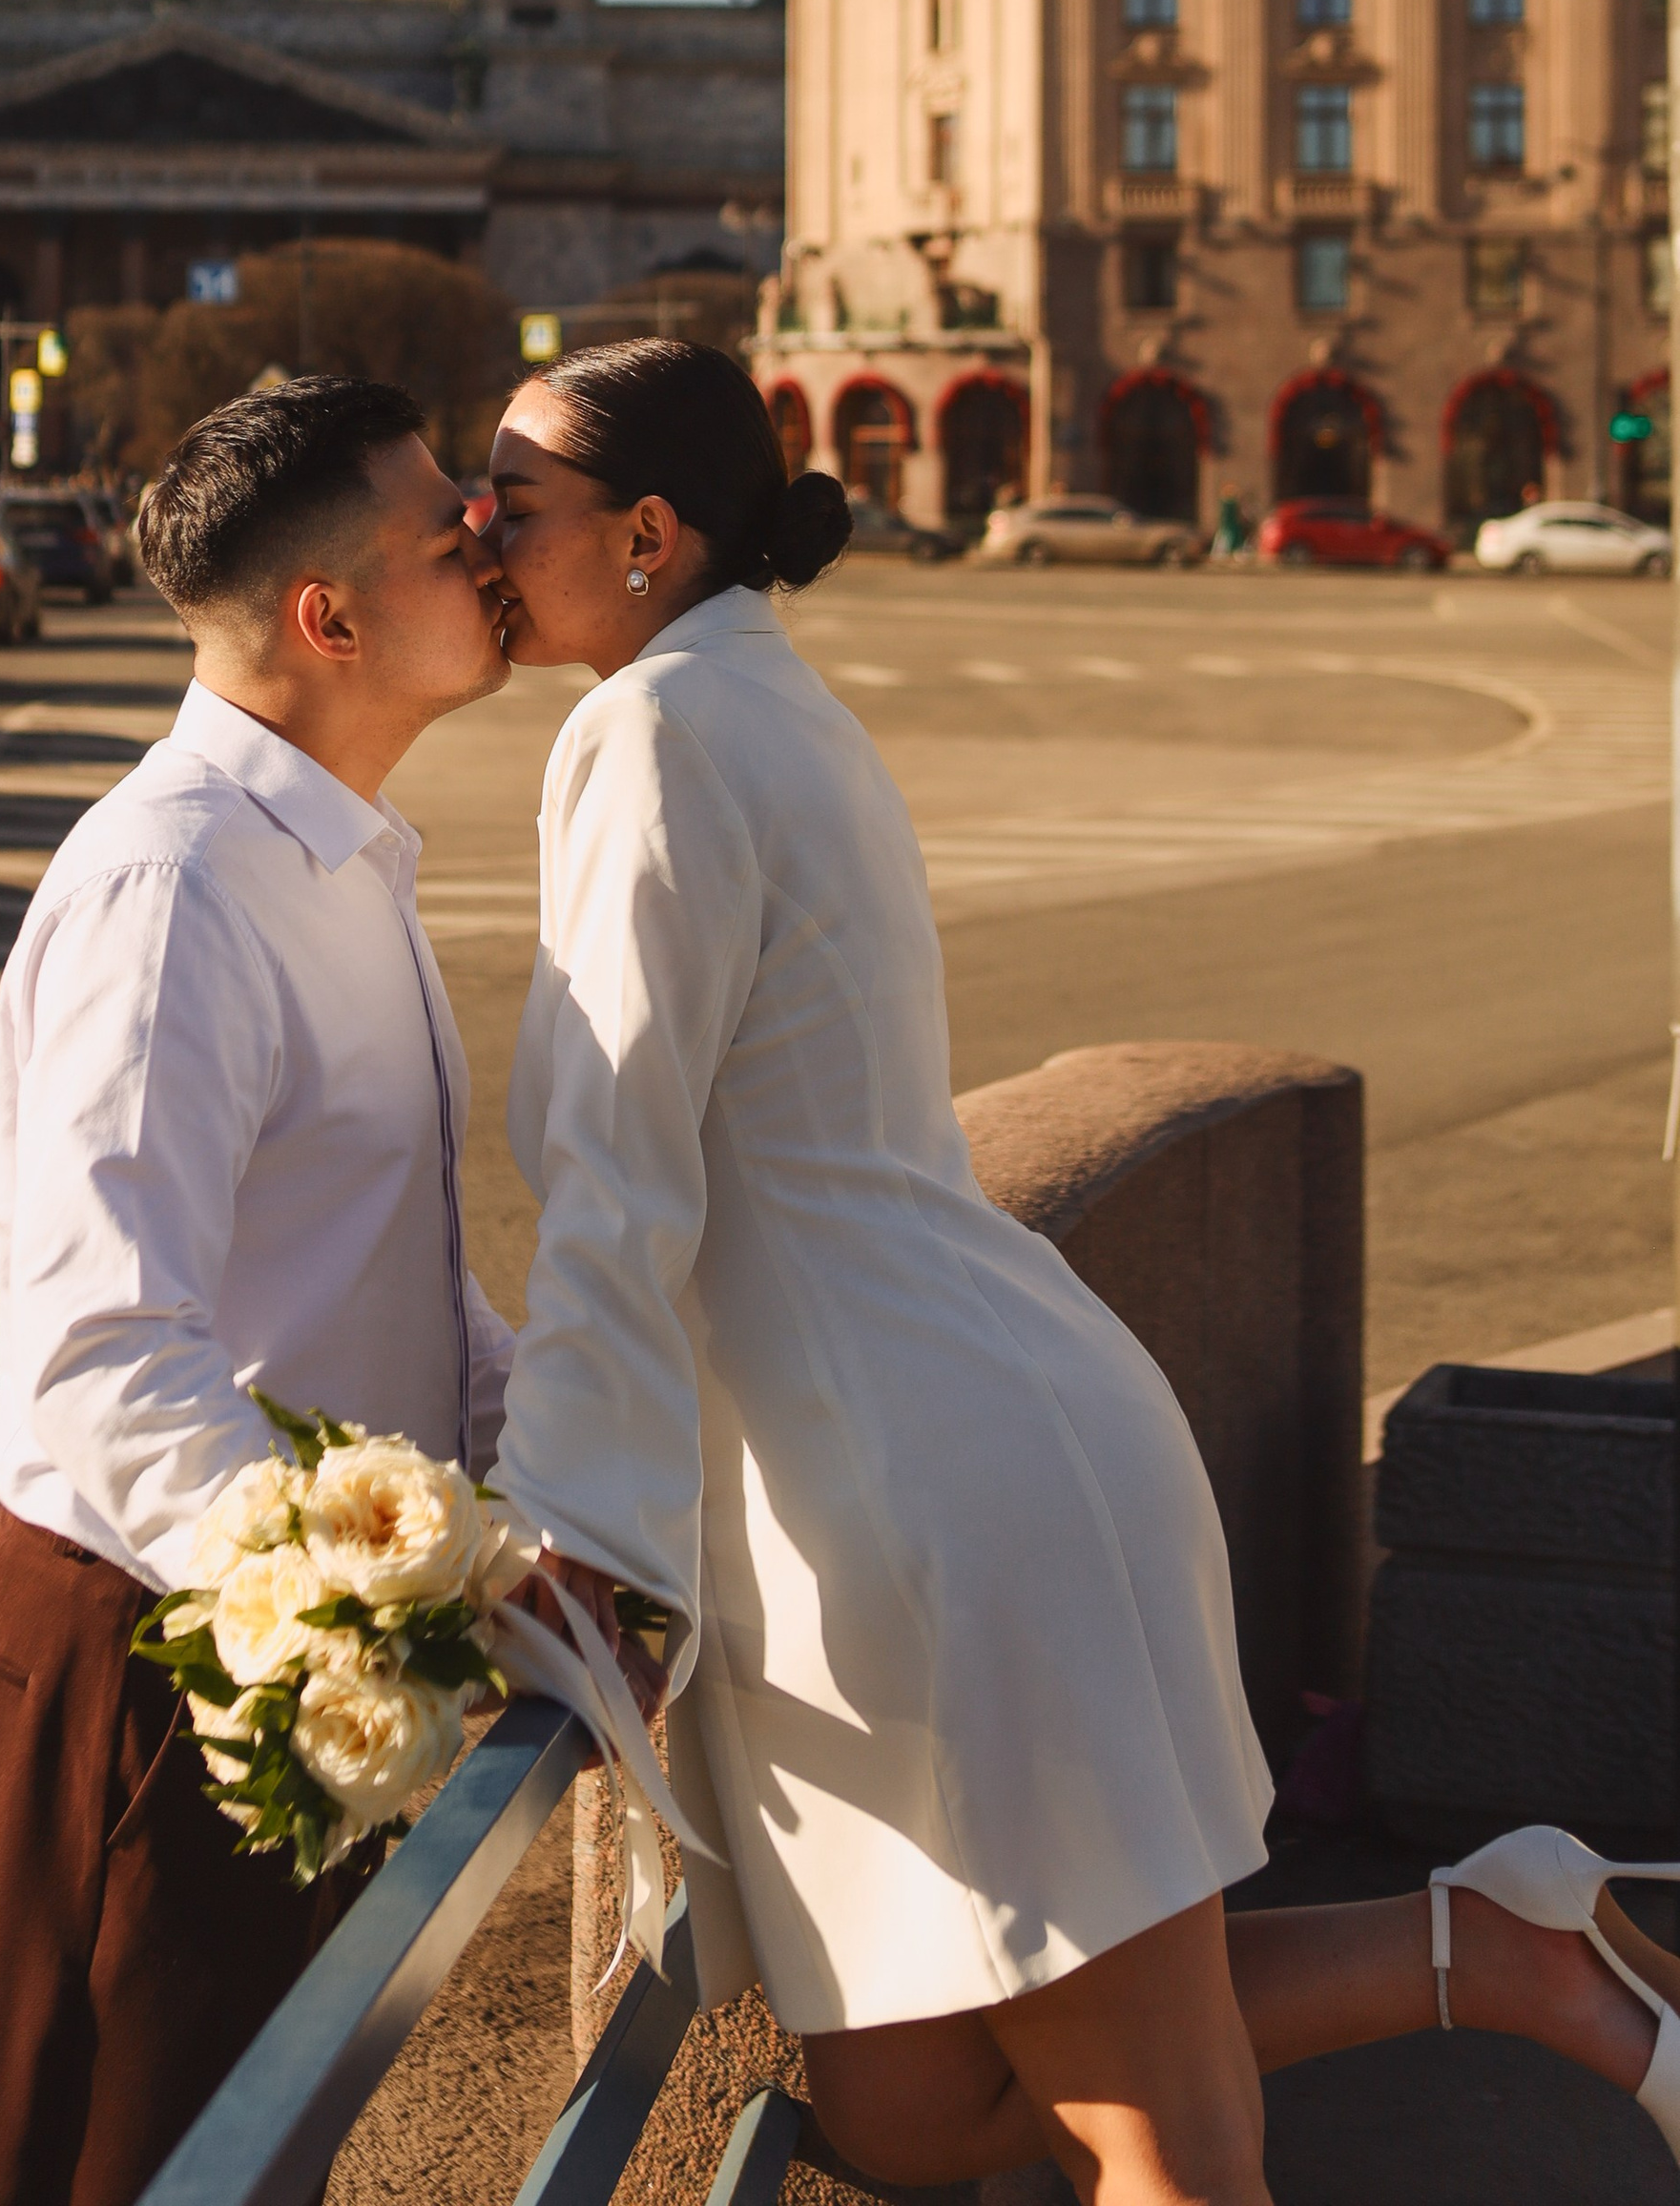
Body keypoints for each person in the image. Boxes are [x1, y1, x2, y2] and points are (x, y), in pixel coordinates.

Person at [486, 340, 1680, 2206]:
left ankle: (1520, 1967)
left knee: (1157, 2143)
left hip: (927, 1511)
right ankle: (1499, 1949)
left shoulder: (652, 736)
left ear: (645, 533)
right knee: (906, 2114)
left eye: (512, 496)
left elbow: (614, 1171)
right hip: (948, 1450)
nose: (476, 529)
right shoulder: (745, 696)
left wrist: (560, 1531)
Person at [0, 377, 514, 2206]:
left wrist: (556, 1473)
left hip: (272, 1644)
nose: (489, 544)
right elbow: (100, 1356)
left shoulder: (328, 853)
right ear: (328, 618)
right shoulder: (178, 885)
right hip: (153, 1663)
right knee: (107, 2172)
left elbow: (395, 1279)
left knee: (243, 2172)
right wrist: (396, 1596)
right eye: (448, 530)